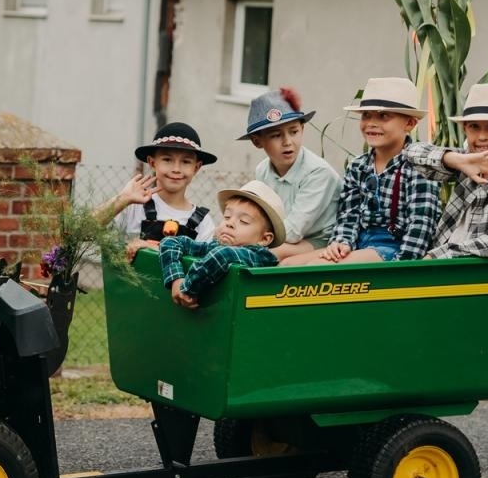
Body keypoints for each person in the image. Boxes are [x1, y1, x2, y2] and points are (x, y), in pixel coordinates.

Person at [285, 76, 439, 265]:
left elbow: (420, 226)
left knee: (316, 268)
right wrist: (341, 242)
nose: (371, 123)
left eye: (383, 116)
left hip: (393, 248)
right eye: (366, 115)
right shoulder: (358, 166)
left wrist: (402, 266)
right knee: (287, 265)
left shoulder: (419, 167)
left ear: (409, 124)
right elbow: (348, 215)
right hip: (358, 242)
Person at [405, 83, 488, 258]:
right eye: (474, 127)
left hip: (487, 277)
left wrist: (436, 256)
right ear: (465, 129)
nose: (482, 136)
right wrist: (455, 160)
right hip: (441, 269)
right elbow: (410, 153)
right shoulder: (464, 161)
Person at [239, 87, 341, 260]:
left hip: (321, 241)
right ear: (257, 141)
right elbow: (261, 215)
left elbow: (294, 232)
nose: (288, 142)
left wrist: (248, 236)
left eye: (294, 132)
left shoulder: (318, 172)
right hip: (281, 237)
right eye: (276, 135)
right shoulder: (262, 170)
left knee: (266, 254)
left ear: (302, 129)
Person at [97, 122, 218, 257]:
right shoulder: (134, 206)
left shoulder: (203, 223)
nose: (176, 169)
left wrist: (149, 247)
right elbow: (86, 229)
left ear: (196, 167)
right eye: (167, 159)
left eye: (186, 162)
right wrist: (122, 199)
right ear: (152, 163)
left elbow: (204, 267)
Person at [159, 180, 287, 309]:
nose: (229, 223)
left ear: (264, 239)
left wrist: (187, 290)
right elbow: (170, 242)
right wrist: (176, 279)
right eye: (227, 216)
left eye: (244, 221)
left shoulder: (257, 257)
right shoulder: (215, 246)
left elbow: (223, 255)